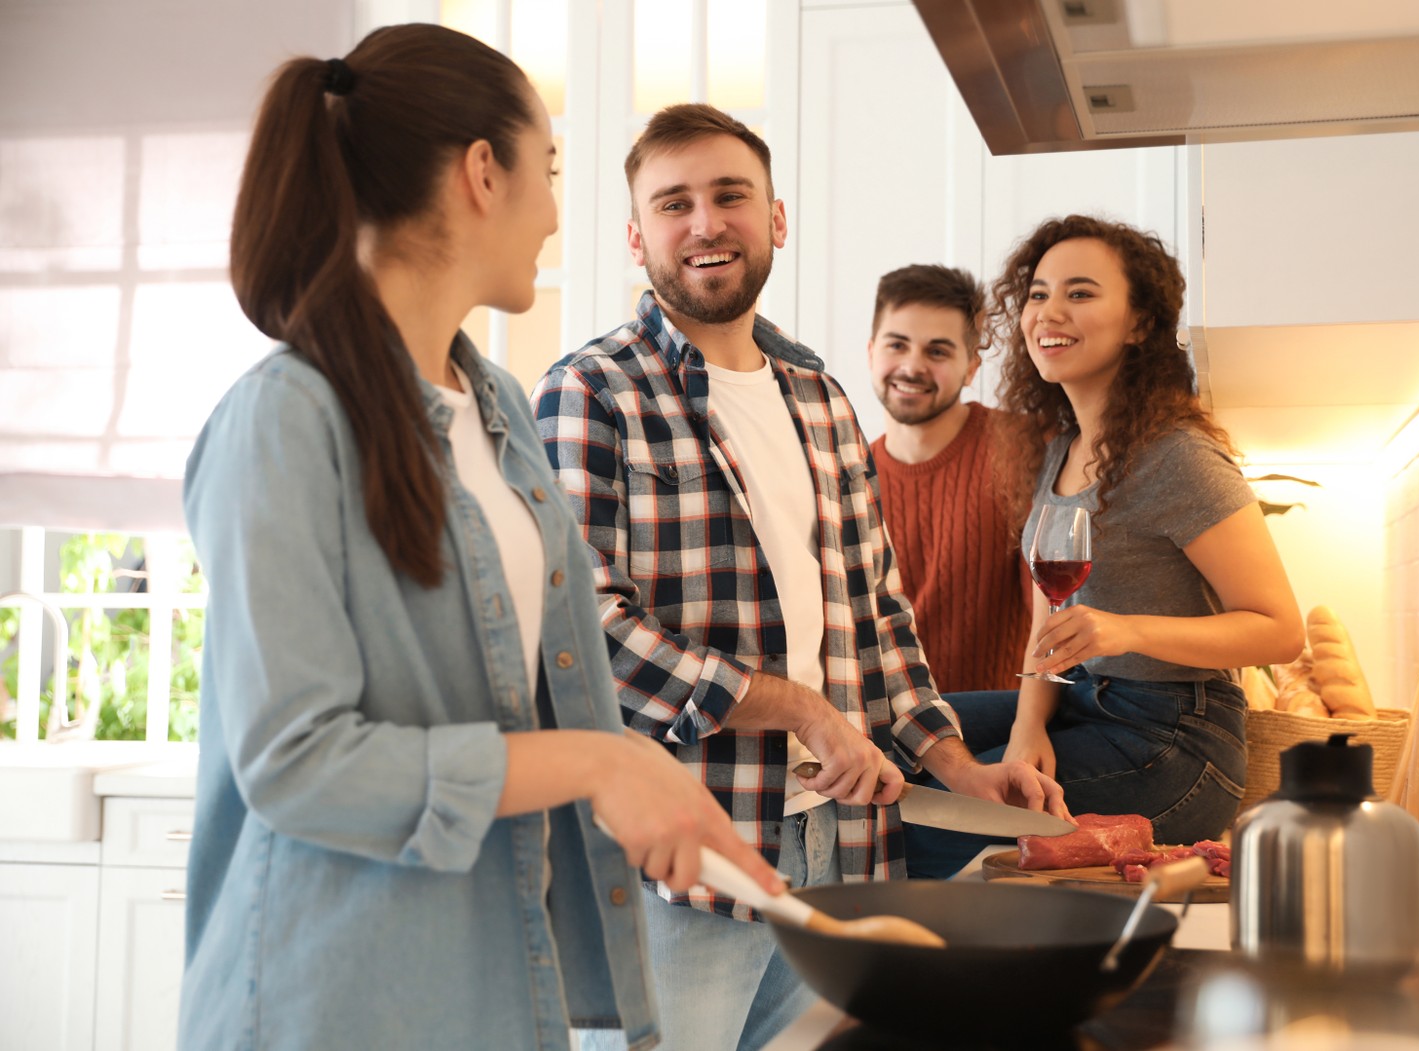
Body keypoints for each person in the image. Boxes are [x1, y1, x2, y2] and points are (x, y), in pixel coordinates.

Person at [179, 27, 780, 1051]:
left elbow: (550, 690)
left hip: (500, 986)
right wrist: (601, 764)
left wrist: (662, 794)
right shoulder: (284, 418)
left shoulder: (494, 400)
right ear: (481, 174)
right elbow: (297, 763)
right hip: (332, 1001)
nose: (554, 212)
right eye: (546, 171)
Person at [532, 104, 1066, 1051]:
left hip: (843, 846)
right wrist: (802, 710)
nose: (705, 223)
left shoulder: (819, 397)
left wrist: (958, 767)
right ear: (635, 236)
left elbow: (876, 614)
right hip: (690, 852)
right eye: (675, 203)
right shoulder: (589, 391)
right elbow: (584, 630)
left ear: (776, 218)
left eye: (731, 196)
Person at [906, 215, 1304, 879]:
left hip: (1176, 742)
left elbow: (1280, 630)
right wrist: (1029, 723)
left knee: (921, 816)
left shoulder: (1174, 456)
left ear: (1141, 322)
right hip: (1084, 703)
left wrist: (1123, 630)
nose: (1049, 311)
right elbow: (1049, 603)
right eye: (1037, 293)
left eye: (1081, 293)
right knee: (905, 734)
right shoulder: (1063, 446)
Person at [865, 263, 1032, 692]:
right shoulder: (845, 478)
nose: (912, 367)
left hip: (1002, 733)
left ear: (971, 368)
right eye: (897, 345)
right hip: (886, 741)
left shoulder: (1025, 447)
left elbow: (1055, 613)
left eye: (937, 351)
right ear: (871, 352)